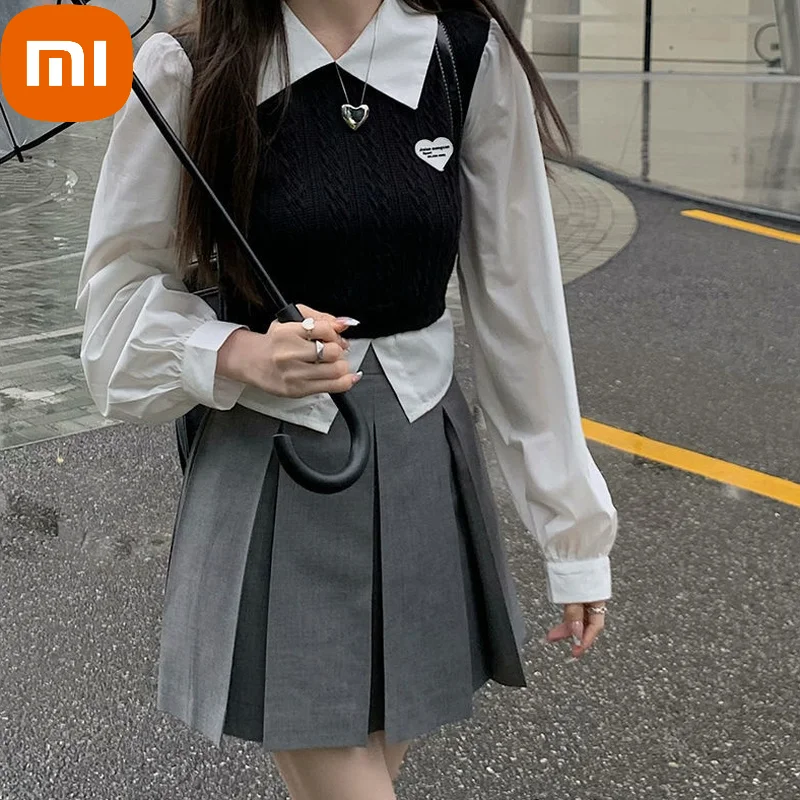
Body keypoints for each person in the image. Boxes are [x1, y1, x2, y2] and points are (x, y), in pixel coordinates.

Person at [75, 0, 618, 797]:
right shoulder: (189, 67)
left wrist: (572, 532)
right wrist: (239, 352)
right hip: (274, 460)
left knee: (375, 754)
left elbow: (522, 308)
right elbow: (112, 309)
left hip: (420, 448)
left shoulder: (464, 55)